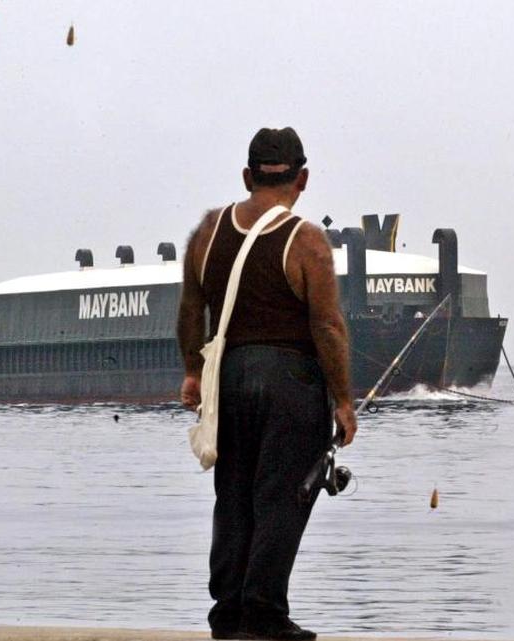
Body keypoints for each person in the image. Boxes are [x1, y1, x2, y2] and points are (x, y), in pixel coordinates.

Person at [177, 127, 357, 641]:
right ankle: (263, 615)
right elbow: (326, 326)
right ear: (302, 179)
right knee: (281, 496)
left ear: (246, 176)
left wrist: (193, 370)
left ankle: (227, 614)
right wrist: (343, 401)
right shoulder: (306, 241)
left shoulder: (209, 231)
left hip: (229, 378)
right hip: (290, 382)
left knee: (231, 496)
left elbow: (192, 308)